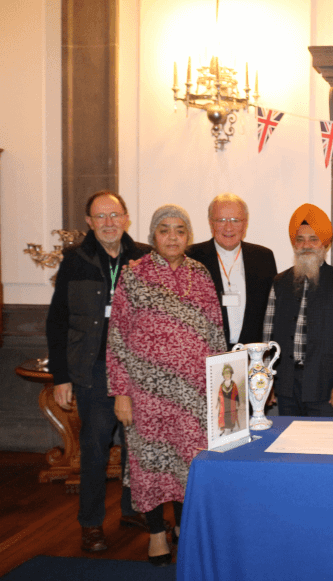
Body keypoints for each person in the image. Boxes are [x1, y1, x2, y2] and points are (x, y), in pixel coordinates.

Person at [107, 204, 226, 566]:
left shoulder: (201, 273)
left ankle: (184, 529)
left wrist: (220, 389)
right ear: (153, 236)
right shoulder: (134, 275)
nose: (172, 237)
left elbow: (215, 330)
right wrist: (121, 393)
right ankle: (157, 532)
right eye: (164, 230)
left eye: (179, 230)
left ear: (188, 236)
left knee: (188, 463)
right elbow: (117, 338)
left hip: (193, 393)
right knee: (150, 464)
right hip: (147, 395)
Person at [45, 191, 151, 553]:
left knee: (136, 445)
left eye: (114, 215)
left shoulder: (143, 258)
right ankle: (90, 523)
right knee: (94, 447)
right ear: (89, 222)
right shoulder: (75, 260)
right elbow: (57, 321)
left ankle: (132, 509)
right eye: (100, 216)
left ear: (126, 218)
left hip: (137, 369)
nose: (108, 223)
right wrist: (61, 376)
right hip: (94, 369)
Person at [263, 204, 333, 417]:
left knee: (327, 447)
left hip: (327, 388)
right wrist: (267, 381)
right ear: (294, 244)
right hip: (287, 387)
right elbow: (267, 340)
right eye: (300, 239)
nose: (306, 244)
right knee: (290, 447)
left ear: (325, 244)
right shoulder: (279, 283)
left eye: (313, 239)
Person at [187, 193, 277, 348]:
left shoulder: (263, 258)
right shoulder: (192, 257)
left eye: (236, 220)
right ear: (211, 223)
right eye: (221, 220)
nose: (228, 227)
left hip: (252, 356)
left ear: (245, 223)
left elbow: (273, 312)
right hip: (208, 355)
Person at [217, 363, 240, 434]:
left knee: (232, 416)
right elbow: (220, 394)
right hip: (224, 405)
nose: (227, 375)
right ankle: (226, 428)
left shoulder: (234, 384)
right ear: (223, 375)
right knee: (224, 416)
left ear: (231, 374)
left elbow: (236, 394)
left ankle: (232, 427)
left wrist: (237, 402)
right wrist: (219, 402)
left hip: (232, 404)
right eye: (225, 374)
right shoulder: (222, 385)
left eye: (228, 373)